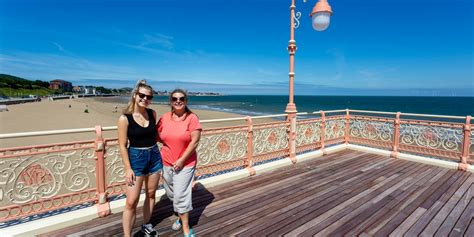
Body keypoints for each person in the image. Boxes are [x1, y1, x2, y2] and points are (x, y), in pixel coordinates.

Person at [117, 80, 162, 237]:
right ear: (135, 95)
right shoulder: (125, 118)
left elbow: (155, 136)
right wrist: (128, 168)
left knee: (150, 194)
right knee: (131, 201)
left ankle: (146, 225)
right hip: (136, 159)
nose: (145, 99)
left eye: (149, 97)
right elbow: (122, 145)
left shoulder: (152, 113)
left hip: (154, 156)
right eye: (142, 95)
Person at [158, 89, 202, 237]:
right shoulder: (164, 118)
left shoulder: (192, 118)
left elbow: (195, 141)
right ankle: (179, 215)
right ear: (170, 101)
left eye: (181, 98)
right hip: (166, 162)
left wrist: (182, 160)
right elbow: (158, 137)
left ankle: (186, 228)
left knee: (181, 195)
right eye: (175, 98)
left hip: (186, 163)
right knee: (171, 192)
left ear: (186, 101)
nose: (178, 101)